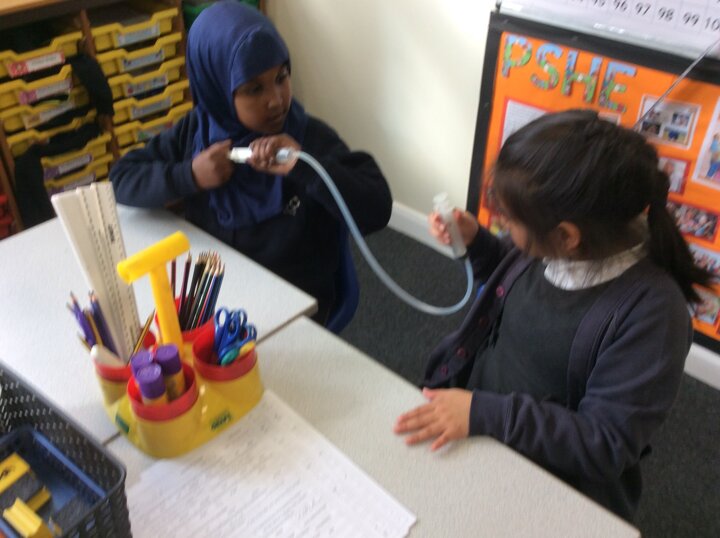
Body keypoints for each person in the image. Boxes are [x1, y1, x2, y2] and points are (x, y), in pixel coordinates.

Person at [393, 110, 714, 521]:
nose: (502, 222)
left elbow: (606, 443)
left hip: (549, 473)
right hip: (484, 417)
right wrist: (476, 243)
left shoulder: (653, 315)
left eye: (510, 219)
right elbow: (511, 279)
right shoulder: (554, 251)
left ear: (566, 236)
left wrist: (484, 413)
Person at [110, 1, 392, 325]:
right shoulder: (197, 131)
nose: (276, 100)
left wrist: (305, 167)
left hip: (290, 308)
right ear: (216, 87)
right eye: (254, 88)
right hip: (215, 296)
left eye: (281, 77)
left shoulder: (308, 139)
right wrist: (190, 176)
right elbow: (121, 179)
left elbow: (377, 207)